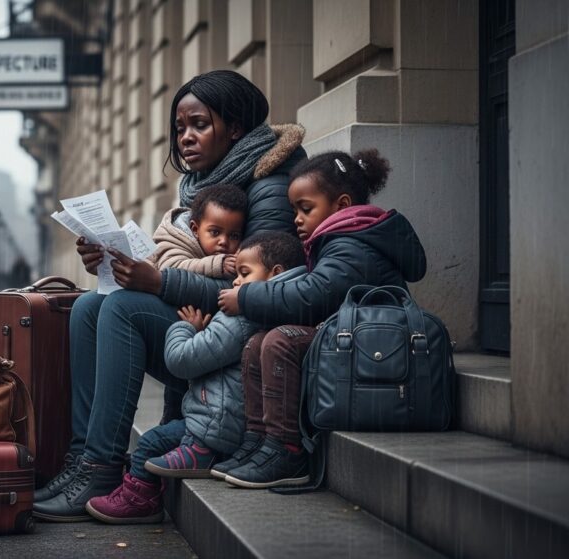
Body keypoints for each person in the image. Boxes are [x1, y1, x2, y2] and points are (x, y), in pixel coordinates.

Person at [32, 70, 307, 522]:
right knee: (86, 306)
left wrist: (158, 282)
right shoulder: (203, 187)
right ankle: (83, 461)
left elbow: (257, 290)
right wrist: (110, 263)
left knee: (121, 309)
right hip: (205, 325)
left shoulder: (270, 187)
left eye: (199, 124)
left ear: (235, 128)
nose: (185, 138)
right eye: (180, 128)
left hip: (241, 343)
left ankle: (100, 468)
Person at [213, 148, 427, 488]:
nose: (296, 218)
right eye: (294, 209)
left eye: (305, 208)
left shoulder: (352, 244)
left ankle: (287, 449)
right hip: (352, 338)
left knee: (280, 340)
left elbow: (312, 296)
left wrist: (247, 296)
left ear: (341, 206)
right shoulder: (340, 239)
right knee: (257, 342)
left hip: (375, 350)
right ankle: (258, 440)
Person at [85, 232, 305, 524]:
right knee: (157, 442)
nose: (235, 283)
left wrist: (184, 328)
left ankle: (139, 500)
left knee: (148, 445)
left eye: (243, 274)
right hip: (223, 422)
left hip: (213, 429)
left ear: (275, 274)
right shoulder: (272, 311)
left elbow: (181, 361)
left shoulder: (240, 317)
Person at [146, 183, 247, 279]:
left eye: (234, 236)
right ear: (195, 229)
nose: (224, 241)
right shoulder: (176, 240)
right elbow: (170, 270)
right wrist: (215, 265)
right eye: (215, 232)